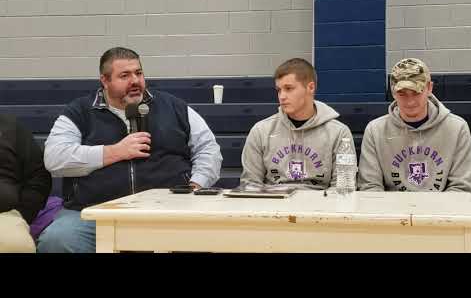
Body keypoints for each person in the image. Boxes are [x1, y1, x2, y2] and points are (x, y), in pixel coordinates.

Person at [37, 47, 222, 253]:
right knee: (57, 240)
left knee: (213, 236)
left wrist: (196, 184)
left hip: (169, 211)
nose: (135, 81)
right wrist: (115, 151)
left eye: (138, 73)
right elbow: (54, 158)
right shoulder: (80, 111)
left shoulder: (174, 106)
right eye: (124, 75)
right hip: (93, 213)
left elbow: (209, 149)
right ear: (105, 81)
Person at [358, 58, 471, 193]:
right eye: (402, 94)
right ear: (393, 92)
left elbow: (461, 188)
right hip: (392, 211)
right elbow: (370, 188)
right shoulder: (375, 130)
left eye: (416, 92)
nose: (410, 101)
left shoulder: (457, 128)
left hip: (439, 212)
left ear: (430, 88)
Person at [240, 58, 355, 189]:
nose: (282, 96)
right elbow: (250, 185)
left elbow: (343, 187)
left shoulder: (339, 133)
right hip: (273, 205)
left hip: (320, 205)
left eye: (289, 88)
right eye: (279, 90)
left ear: (310, 87)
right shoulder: (261, 131)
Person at [0, 114, 52, 252]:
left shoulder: (10, 127)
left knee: (16, 244)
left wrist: (22, 213)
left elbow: (38, 175)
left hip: (5, 215)